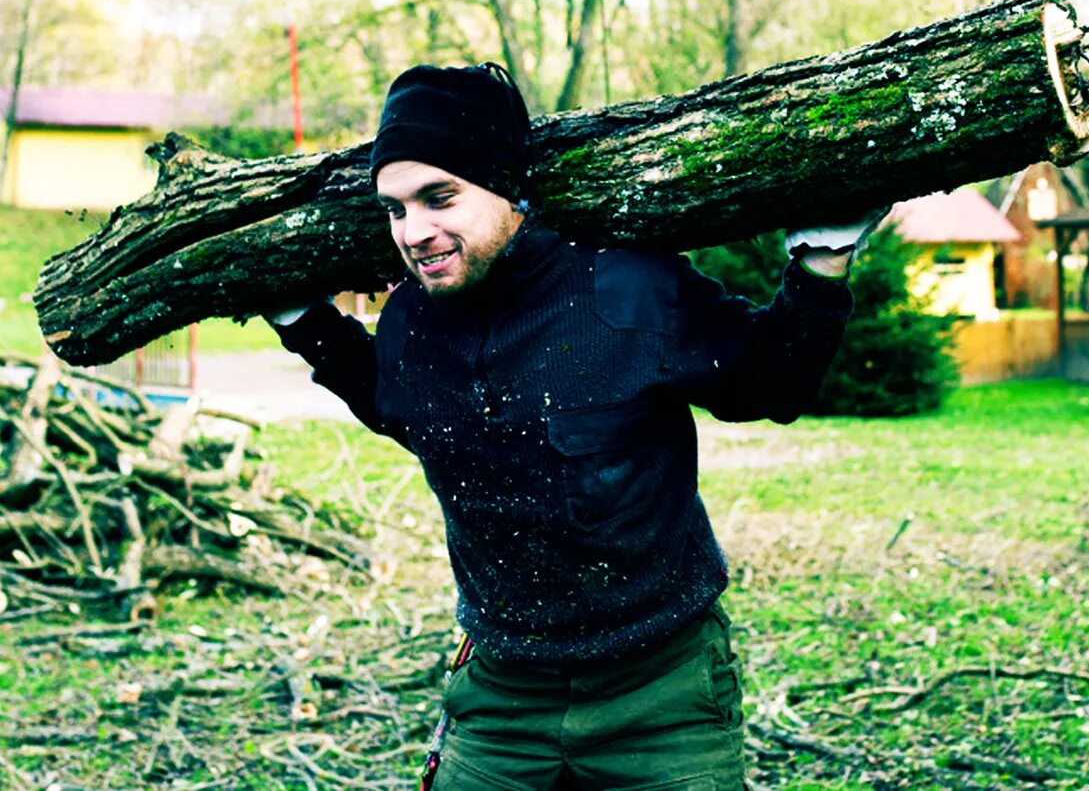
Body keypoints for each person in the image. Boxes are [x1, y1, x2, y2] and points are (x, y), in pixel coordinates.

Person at [266, 63, 883, 790]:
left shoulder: (625, 288)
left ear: (505, 185)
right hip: (500, 696)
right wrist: (306, 325)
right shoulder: (412, 321)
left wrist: (819, 267)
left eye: (439, 197)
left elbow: (764, 386)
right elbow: (398, 405)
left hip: (662, 692)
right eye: (396, 208)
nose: (415, 231)